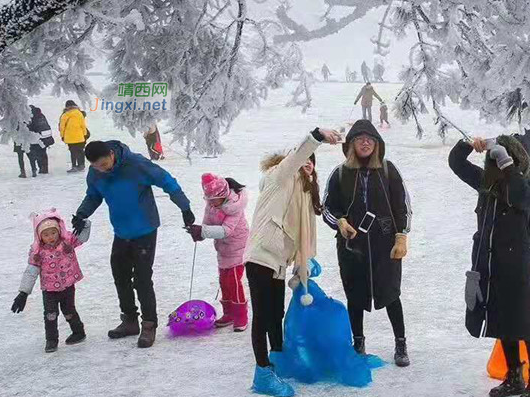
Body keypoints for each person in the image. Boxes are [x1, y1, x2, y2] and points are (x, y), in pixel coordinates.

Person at [244, 126, 342, 397]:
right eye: (305, 159)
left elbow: (300, 232)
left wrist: (304, 262)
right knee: (263, 316)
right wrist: (317, 136)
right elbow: (298, 156)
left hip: (277, 262)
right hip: (261, 255)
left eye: (313, 161)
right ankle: (262, 373)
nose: (308, 163)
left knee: (276, 314)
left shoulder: (302, 193)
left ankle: (277, 359)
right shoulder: (279, 176)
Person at [71, 140, 195, 349]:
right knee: (120, 276)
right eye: (96, 167)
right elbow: (93, 196)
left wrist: (185, 208)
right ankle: (129, 320)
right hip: (121, 232)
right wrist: (82, 213)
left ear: (111, 154)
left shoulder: (137, 164)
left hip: (145, 230)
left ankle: (149, 324)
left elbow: (168, 181)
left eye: (103, 164)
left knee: (142, 279)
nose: (101, 169)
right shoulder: (96, 173)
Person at [448, 135, 530, 397]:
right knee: (503, 321)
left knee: (526, 323)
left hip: (517, 268)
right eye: (494, 161)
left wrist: (506, 163)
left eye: (501, 160)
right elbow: (456, 163)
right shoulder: (486, 184)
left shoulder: (526, 186)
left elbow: (522, 198)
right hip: (489, 265)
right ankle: (514, 375)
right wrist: (470, 144)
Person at [323, 119, 412, 368]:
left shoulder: (388, 170)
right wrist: (340, 223)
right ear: (351, 144)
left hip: (386, 245)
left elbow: (403, 205)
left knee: (391, 294)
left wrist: (401, 236)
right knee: (355, 295)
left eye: (370, 139)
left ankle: (401, 343)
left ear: (377, 144)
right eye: (360, 139)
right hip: (353, 246)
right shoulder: (340, 173)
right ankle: (358, 343)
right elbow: (328, 207)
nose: (365, 143)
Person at [11, 209, 91, 353]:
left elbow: (83, 237)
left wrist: (83, 224)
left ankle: (78, 332)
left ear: (59, 230)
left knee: (69, 310)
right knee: (50, 314)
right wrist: (23, 293)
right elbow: (31, 272)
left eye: (53, 232)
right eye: (46, 234)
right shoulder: (38, 252)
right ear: (39, 236)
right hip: (49, 290)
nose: (51, 237)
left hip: (67, 286)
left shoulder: (67, 242)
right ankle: (52, 340)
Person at [187, 173, 250, 332]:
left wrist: (204, 231)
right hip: (223, 249)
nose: (211, 203)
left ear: (223, 195)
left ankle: (241, 316)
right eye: (209, 199)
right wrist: (199, 233)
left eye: (214, 199)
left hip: (238, 247)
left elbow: (226, 231)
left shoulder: (234, 206)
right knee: (224, 282)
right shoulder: (212, 205)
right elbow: (207, 224)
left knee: (234, 283)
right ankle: (228, 314)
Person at [59, 100, 88, 173]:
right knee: (80, 151)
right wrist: (84, 135)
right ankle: (81, 165)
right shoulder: (79, 113)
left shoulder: (65, 115)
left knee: (73, 152)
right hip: (80, 136)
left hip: (70, 137)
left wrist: (62, 136)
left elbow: (62, 127)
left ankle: (74, 166)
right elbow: (83, 125)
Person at [27, 105, 53, 174]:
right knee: (43, 153)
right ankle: (45, 169)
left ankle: (41, 168)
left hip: (36, 138)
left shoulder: (31, 116)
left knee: (36, 153)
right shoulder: (41, 115)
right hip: (45, 137)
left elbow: (30, 127)